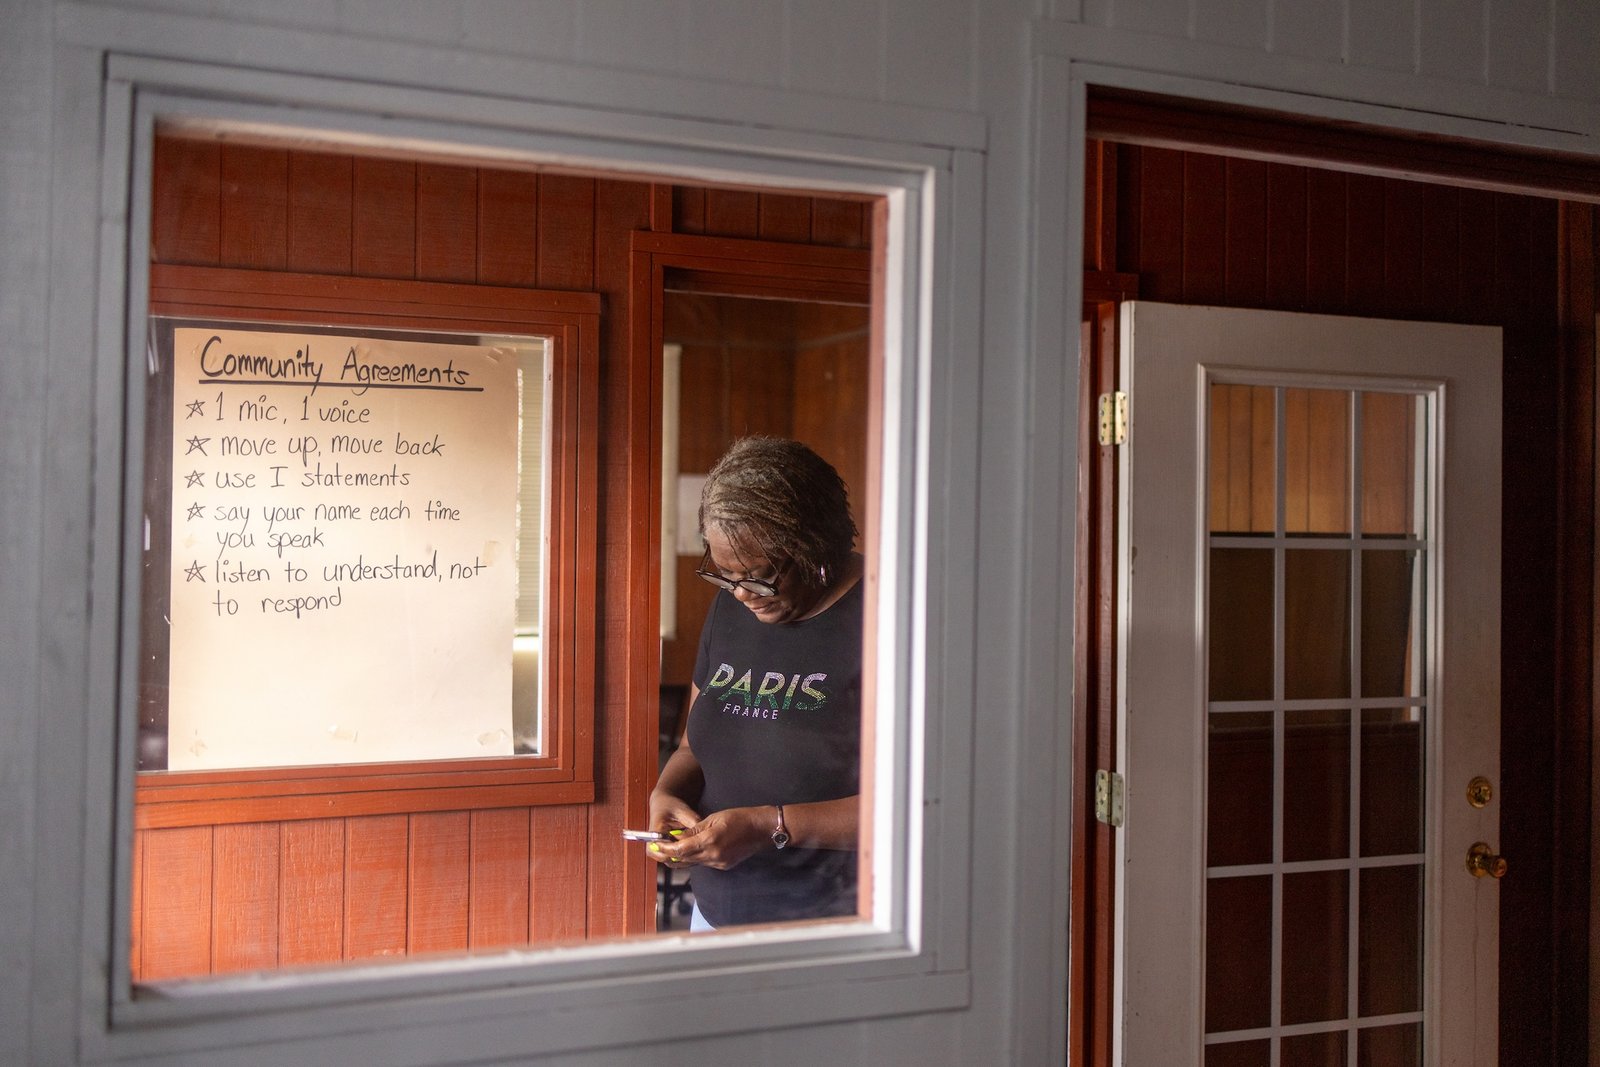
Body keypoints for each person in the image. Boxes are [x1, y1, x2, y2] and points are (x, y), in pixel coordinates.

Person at [647, 436, 864, 930]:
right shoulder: (731, 608)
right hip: (714, 914)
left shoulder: (885, 617)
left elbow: (919, 805)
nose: (742, 594)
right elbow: (693, 745)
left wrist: (768, 828)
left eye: (760, 576)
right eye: (724, 575)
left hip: (829, 925)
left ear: (814, 548)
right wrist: (664, 795)